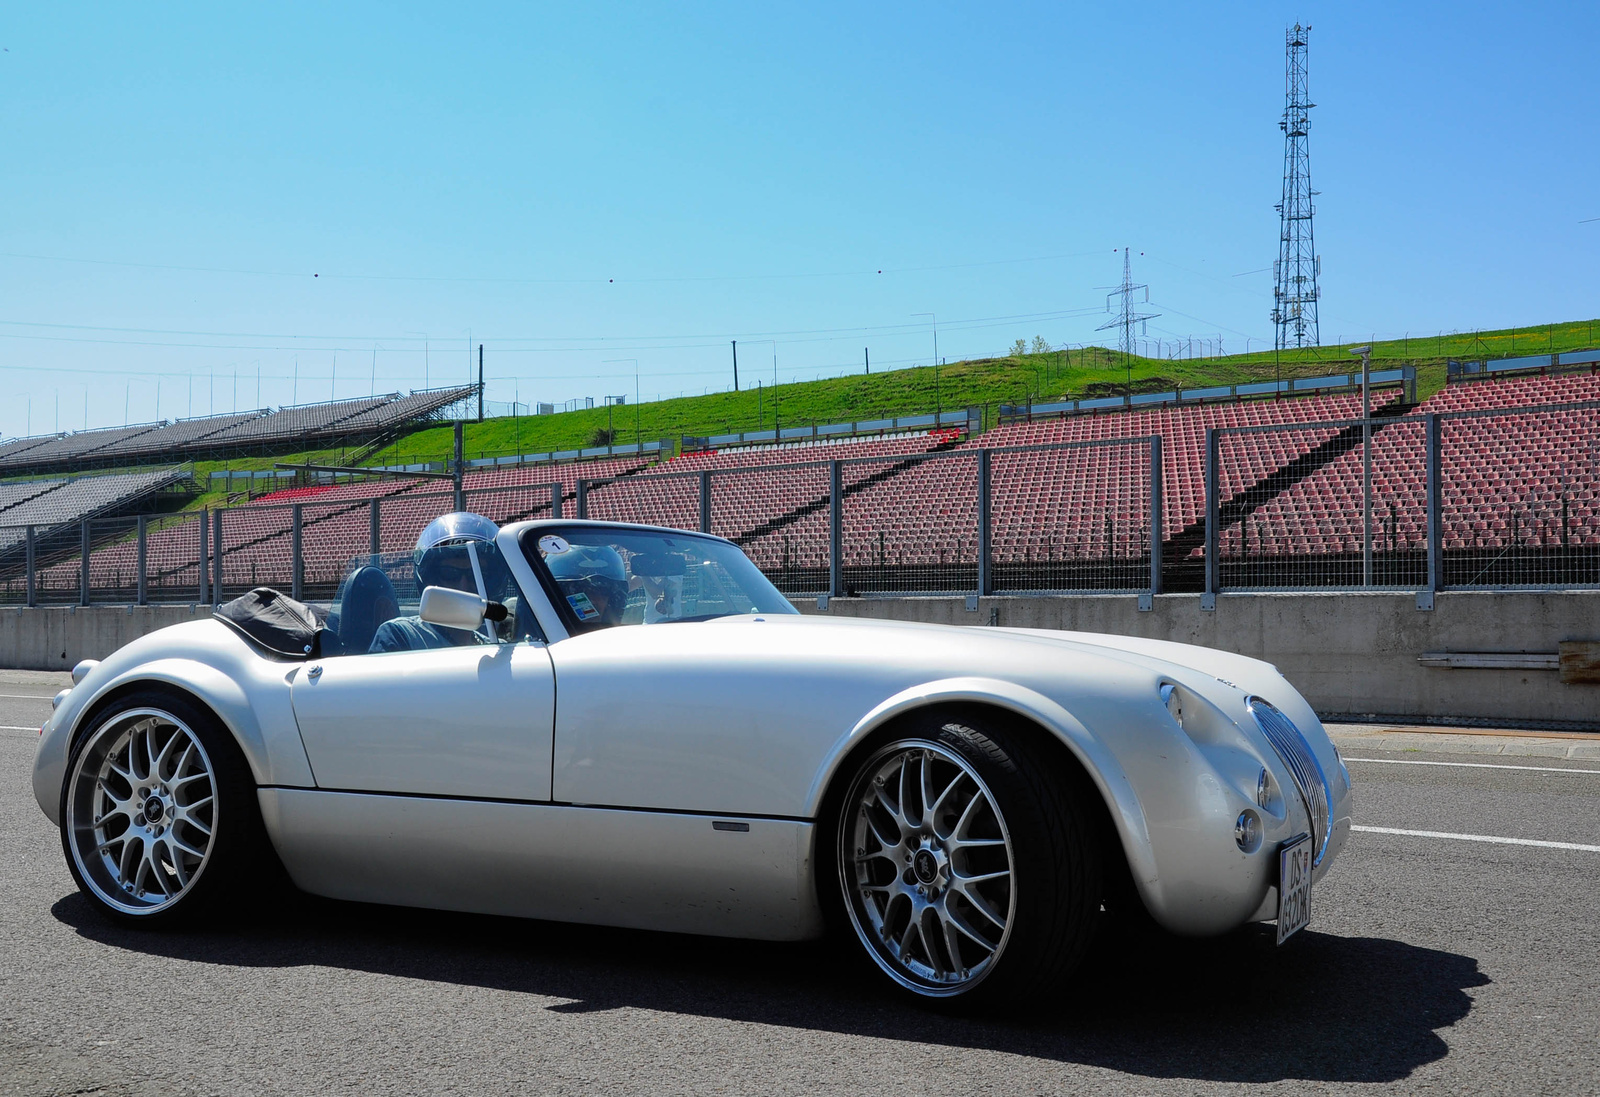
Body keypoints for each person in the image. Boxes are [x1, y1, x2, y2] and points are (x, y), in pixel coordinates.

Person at [369, 512, 509, 653]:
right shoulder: (402, 636)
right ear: (431, 578)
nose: (464, 586)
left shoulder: (497, 647)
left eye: (477, 575)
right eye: (450, 574)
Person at [544, 543, 629, 628]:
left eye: (603, 591)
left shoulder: (623, 637)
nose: (592, 599)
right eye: (578, 590)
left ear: (612, 598)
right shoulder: (544, 634)